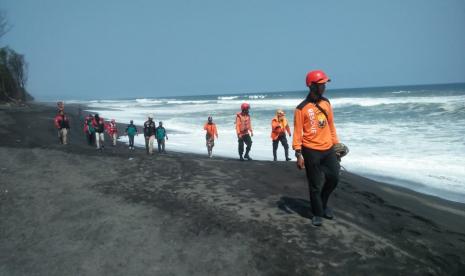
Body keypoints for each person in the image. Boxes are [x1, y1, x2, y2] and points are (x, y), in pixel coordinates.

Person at [293, 70, 341, 227]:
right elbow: (297, 132)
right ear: (311, 86)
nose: (324, 87)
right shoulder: (301, 108)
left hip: (328, 149)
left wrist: (336, 145)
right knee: (315, 184)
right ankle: (317, 212)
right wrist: (298, 153)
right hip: (310, 150)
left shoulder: (326, 103)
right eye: (321, 84)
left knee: (334, 178)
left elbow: (331, 126)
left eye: (325, 84)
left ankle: (322, 203)